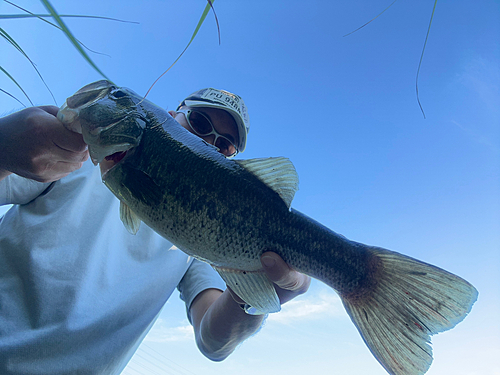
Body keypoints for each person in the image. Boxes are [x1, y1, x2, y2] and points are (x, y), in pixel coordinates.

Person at [0, 88, 311, 374]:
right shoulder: (74, 156)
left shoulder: (205, 243)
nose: (208, 143)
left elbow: (212, 341)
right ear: (172, 114)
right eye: (200, 122)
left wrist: (253, 299)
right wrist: (3, 145)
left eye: (224, 145)